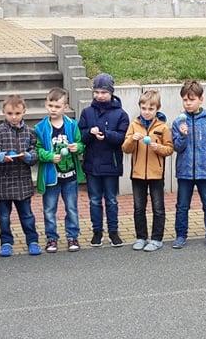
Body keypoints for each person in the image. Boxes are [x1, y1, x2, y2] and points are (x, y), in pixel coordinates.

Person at [172, 80, 206, 249]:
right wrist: (183, 135)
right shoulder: (178, 122)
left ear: (201, 99)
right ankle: (181, 235)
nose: (188, 103)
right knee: (182, 206)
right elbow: (177, 147)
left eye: (192, 99)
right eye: (185, 100)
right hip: (185, 172)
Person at [79, 73, 129, 247]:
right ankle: (97, 232)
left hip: (111, 164)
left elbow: (122, 137)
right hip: (92, 164)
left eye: (104, 92)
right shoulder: (87, 112)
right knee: (94, 200)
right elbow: (80, 136)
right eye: (97, 92)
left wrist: (106, 135)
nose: (100, 96)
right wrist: (89, 133)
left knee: (111, 200)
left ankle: (113, 232)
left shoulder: (121, 114)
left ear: (111, 93)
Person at [0, 94, 40, 256]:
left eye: (17, 113)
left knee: (27, 215)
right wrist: (0, 156)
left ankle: (32, 240)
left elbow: (35, 152)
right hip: (2, 183)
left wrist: (29, 156)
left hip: (22, 182)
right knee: (3, 217)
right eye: (10, 113)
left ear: (24, 112)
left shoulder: (30, 132)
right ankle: (6, 242)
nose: (14, 117)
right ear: (3, 112)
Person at [123, 89, 174, 252]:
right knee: (139, 208)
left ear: (157, 109)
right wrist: (132, 140)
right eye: (143, 108)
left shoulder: (163, 127)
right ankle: (141, 237)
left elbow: (169, 149)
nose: (146, 112)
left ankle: (157, 239)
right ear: (140, 107)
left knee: (158, 208)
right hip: (137, 174)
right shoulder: (134, 125)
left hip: (156, 174)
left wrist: (158, 147)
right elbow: (125, 148)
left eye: (151, 109)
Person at [35, 87, 85, 253]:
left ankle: (72, 236)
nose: (53, 109)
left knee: (71, 208)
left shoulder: (72, 125)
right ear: (46, 105)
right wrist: (49, 156)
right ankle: (51, 238)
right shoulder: (40, 127)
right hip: (51, 176)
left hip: (70, 176)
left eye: (57, 106)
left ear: (65, 107)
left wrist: (77, 147)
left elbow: (81, 144)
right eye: (50, 105)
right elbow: (37, 149)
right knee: (49, 209)